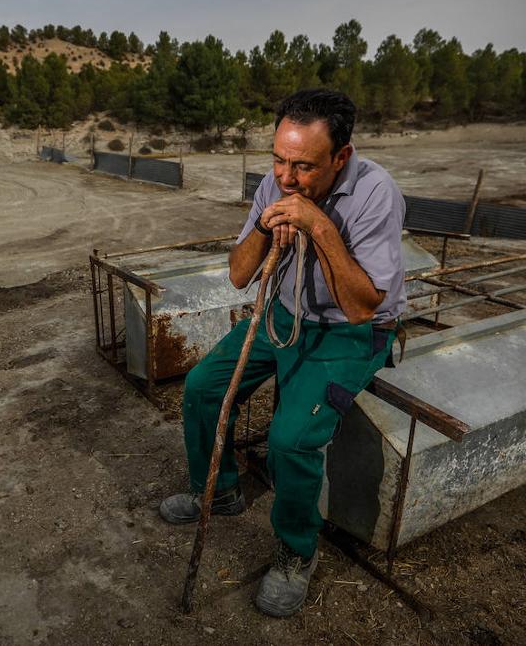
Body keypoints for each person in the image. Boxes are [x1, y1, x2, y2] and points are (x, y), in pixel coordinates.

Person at [159, 87, 405, 617]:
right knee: (204, 388)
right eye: (279, 159)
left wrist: (319, 227)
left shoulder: (375, 193)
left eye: (304, 166)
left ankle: (296, 551)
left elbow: (364, 306)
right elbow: (240, 273)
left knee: (290, 439)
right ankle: (219, 491)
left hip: (347, 332)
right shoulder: (277, 183)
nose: (287, 178)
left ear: (341, 156)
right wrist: (269, 228)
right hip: (283, 313)